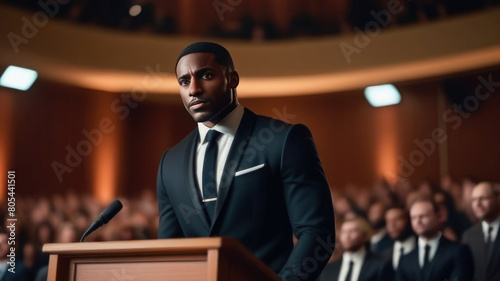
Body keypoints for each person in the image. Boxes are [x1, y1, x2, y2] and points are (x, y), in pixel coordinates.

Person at [156, 42, 335, 281]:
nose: (194, 89)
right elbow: (169, 253)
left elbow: (317, 233)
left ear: (233, 79)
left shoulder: (283, 140)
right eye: (184, 81)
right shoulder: (170, 162)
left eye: (206, 75)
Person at [396, 198, 473, 281]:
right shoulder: (405, 259)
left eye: (423, 216)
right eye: (413, 218)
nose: (418, 221)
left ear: (438, 216)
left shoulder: (458, 251)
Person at [319, 217, 391, 281]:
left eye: (353, 231)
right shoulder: (328, 269)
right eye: (344, 232)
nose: (347, 236)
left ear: (365, 236)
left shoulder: (380, 265)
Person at [462, 181, 500, 281]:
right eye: (474, 200)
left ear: (497, 199)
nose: (478, 204)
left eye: (483, 198)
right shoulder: (468, 236)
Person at [382, 206, 416, 279]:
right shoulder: (383, 255)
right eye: (388, 221)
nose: (392, 225)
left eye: (397, 219)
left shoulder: (424, 248)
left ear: (409, 220)